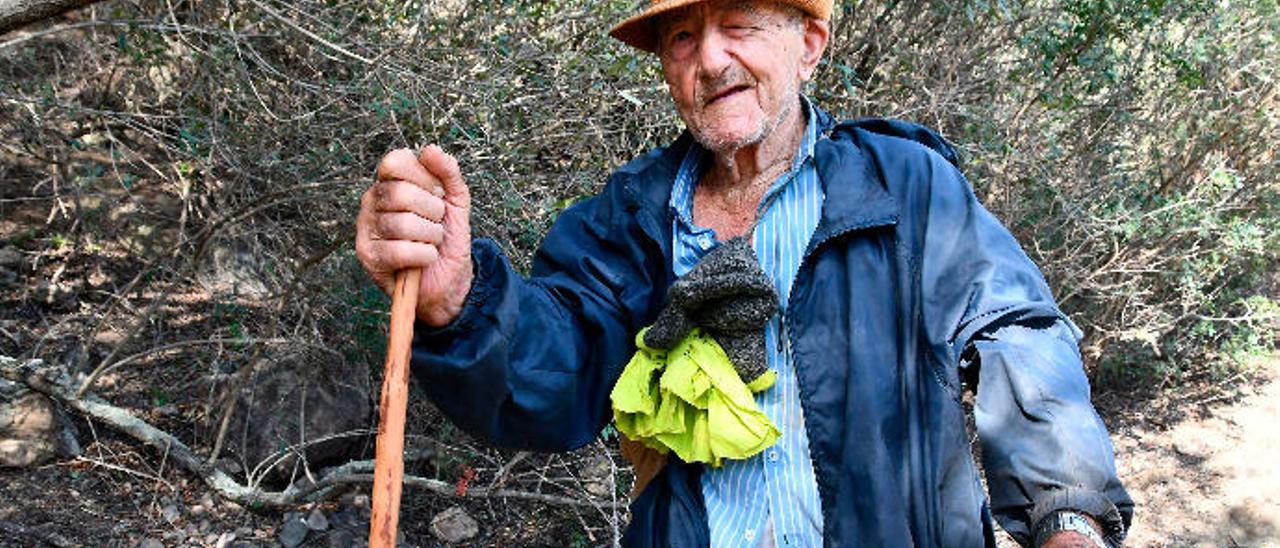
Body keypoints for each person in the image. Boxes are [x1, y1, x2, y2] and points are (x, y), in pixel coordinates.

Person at [354, 0, 1134, 545]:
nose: (710, 58)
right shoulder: (628, 219)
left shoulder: (902, 187)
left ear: (808, 44)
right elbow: (555, 381)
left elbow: (1015, 334)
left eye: (738, 25)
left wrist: (1066, 516)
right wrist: (459, 299)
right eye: (683, 38)